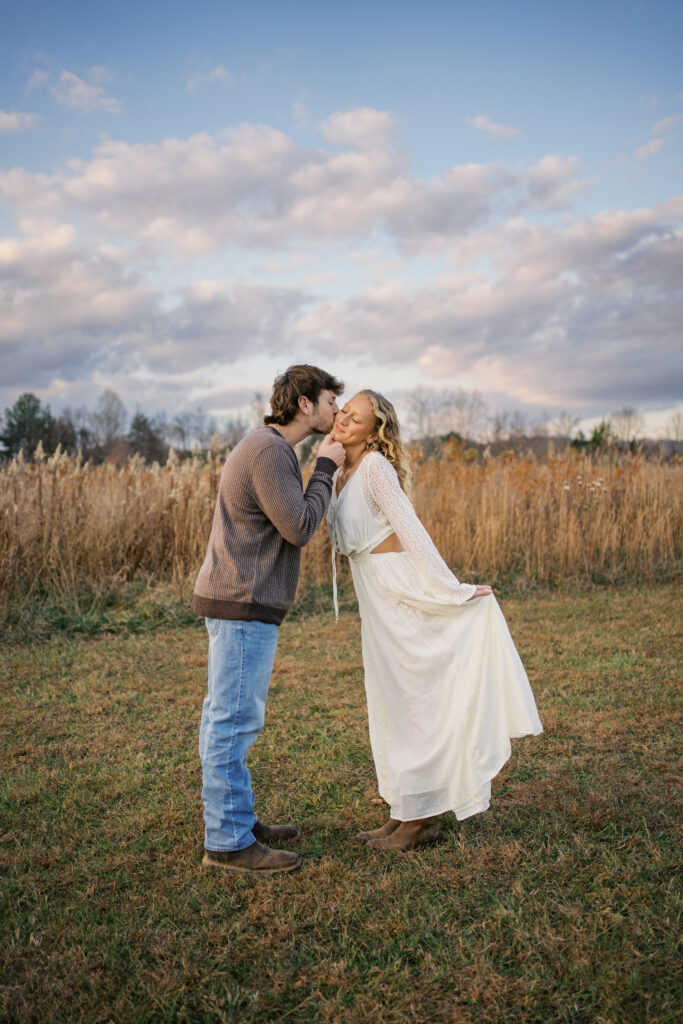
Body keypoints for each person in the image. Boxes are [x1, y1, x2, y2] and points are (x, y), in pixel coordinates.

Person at [327, 390, 543, 851]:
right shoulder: (339, 469)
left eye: (356, 417)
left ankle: (422, 820)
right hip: (375, 596)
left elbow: (412, 530)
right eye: (343, 410)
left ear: (374, 431)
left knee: (415, 697)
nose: (344, 418)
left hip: (400, 590)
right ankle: (405, 808)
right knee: (392, 699)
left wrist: (452, 589)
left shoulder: (375, 469)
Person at [192, 364, 345, 874]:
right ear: (304, 404)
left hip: (242, 600)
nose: (336, 412)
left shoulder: (270, 449)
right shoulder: (270, 451)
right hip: (241, 600)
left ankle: (236, 818)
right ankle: (229, 842)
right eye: (330, 402)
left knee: (230, 716)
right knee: (232, 721)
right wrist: (325, 468)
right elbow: (299, 527)